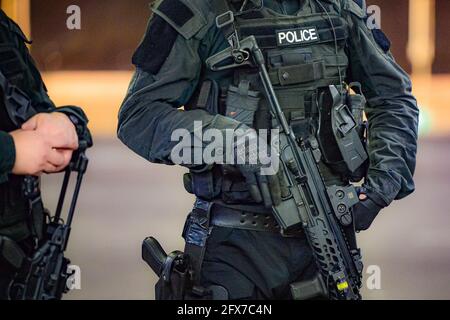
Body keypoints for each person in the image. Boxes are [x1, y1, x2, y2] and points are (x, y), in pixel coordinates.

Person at [118, 0, 419, 300]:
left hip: (328, 241)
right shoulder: (194, 8)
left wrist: (383, 183)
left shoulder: (338, 7)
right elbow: (139, 117)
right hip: (235, 250)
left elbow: (394, 99)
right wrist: (234, 142)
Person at [0, 9, 90, 299]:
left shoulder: (2, 29)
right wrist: (10, 152)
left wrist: (67, 122)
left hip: (20, 252)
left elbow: (35, 105)